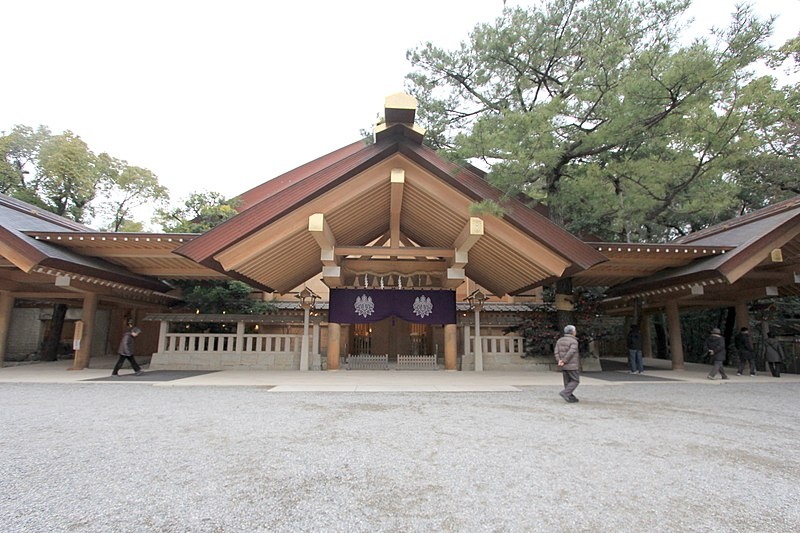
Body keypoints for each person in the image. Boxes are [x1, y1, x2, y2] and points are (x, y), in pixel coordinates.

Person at [555, 324, 581, 403]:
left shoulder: (560, 340)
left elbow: (556, 351)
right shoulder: (574, 341)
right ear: (573, 332)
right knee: (575, 380)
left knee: (567, 381)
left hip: (563, 364)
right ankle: (566, 393)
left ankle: (570, 396)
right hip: (571, 364)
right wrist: (564, 360)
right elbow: (571, 352)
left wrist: (559, 360)